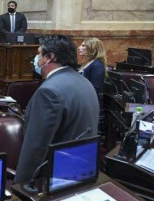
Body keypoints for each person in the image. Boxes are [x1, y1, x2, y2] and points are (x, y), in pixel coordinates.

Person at [14, 35, 100, 183]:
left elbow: (36, 147)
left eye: (39, 54)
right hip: (82, 169)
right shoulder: (84, 82)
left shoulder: (49, 91)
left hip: (55, 177)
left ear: (50, 57)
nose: (36, 59)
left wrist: (21, 184)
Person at [79, 37, 107, 137]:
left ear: (92, 49)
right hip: (85, 102)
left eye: (83, 46)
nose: (79, 48)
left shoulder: (97, 65)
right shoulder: (88, 63)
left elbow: (95, 89)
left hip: (91, 104)